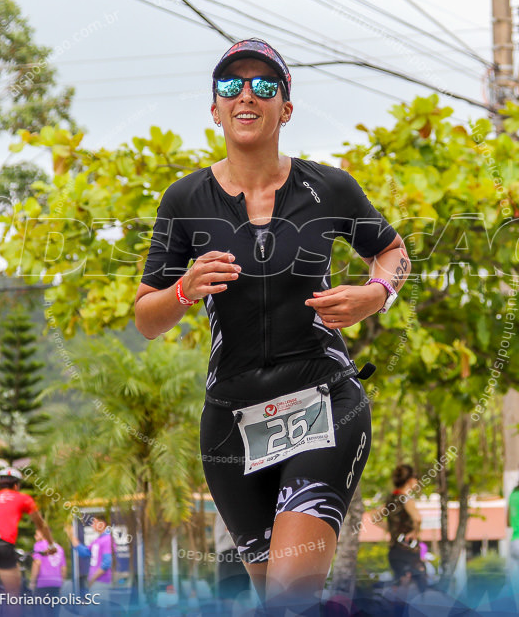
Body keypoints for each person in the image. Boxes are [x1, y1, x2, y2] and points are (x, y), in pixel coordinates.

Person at [134, 37, 409, 612]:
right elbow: (145, 317)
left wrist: (374, 295)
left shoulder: (327, 186)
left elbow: (393, 252)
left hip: (323, 403)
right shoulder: (184, 199)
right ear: (214, 109)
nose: (247, 96)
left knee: (290, 595)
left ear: (286, 107)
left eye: (265, 86)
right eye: (231, 86)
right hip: (231, 423)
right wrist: (183, 290)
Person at [0, 467, 57, 596]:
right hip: (2, 543)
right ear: (16, 485)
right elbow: (41, 524)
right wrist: (51, 545)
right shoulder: (23, 498)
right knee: (13, 592)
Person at [385, 464, 424, 591]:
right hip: (408, 551)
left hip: (394, 551)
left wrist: (392, 528)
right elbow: (417, 518)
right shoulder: (406, 499)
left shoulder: (391, 499)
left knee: (399, 585)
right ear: (411, 480)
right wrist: (414, 531)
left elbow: (375, 517)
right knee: (419, 586)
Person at [73, 515, 112, 600]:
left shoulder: (108, 539)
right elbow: (85, 553)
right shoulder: (98, 540)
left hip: (101, 582)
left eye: (94, 523)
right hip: (95, 583)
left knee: (96, 611)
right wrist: (73, 540)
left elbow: (107, 562)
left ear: (102, 524)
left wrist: (93, 578)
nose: (92, 525)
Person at [30, 529, 65, 617]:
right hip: (56, 584)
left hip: (43, 584)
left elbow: (37, 563)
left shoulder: (39, 545)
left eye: (37, 534)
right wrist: (62, 584)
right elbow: (63, 568)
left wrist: (32, 582)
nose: (35, 536)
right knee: (54, 612)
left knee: (41, 612)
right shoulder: (59, 548)